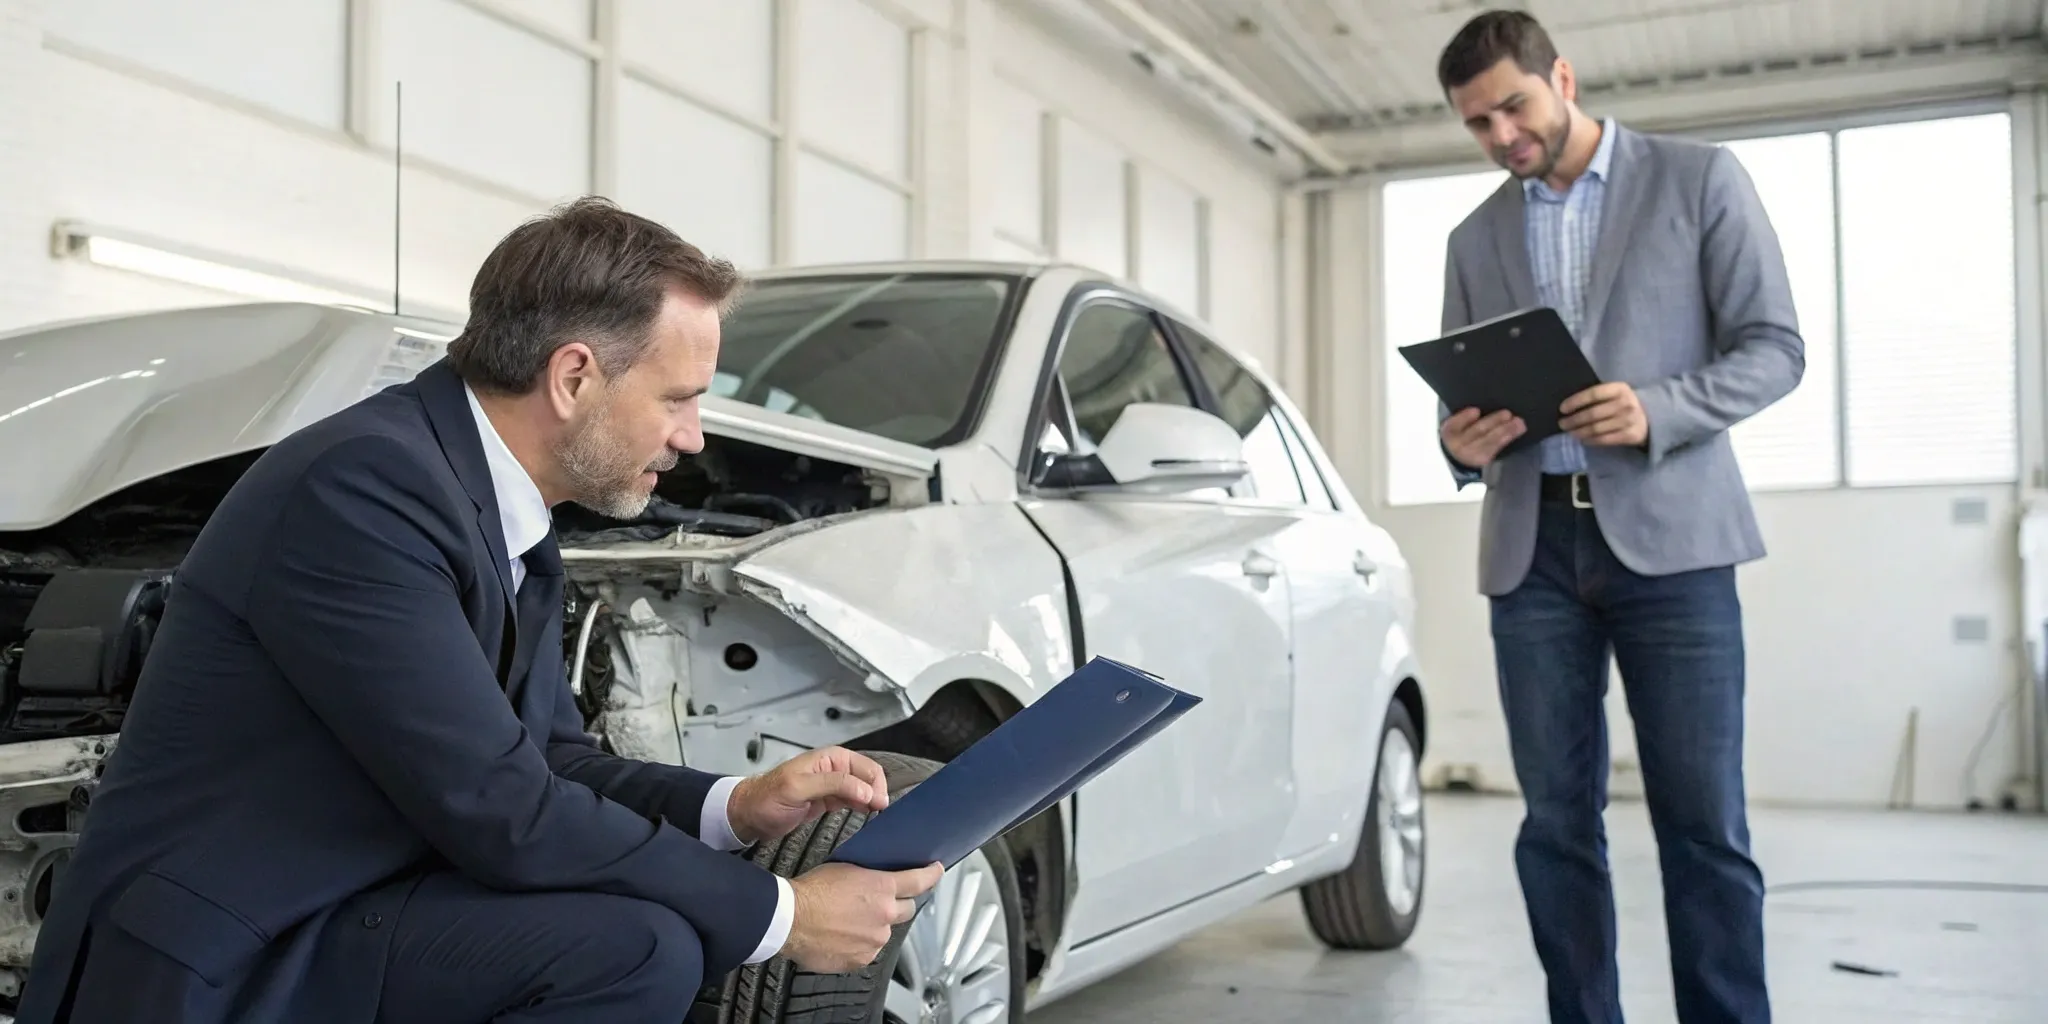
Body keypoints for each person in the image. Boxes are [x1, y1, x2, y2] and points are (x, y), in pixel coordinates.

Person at [16, 196, 944, 1024]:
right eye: (679, 398)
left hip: (347, 905)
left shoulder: (507, 521)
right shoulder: (365, 488)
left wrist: (734, 806)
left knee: (642, 938)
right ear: (574, 376)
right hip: (231, 954)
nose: (692, 439)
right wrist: (785, 917)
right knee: (635, 949)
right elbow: (501, 808)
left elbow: (549, 761)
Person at [1431, 11, 1803, 1024]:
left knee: (1701, 825)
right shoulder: (1473, 236)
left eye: (1513, 106)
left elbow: (1773, 347)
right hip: (1531, 550)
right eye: (1477, 124)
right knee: (1554, 824)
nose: (1501, 136)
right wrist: (1454, 447)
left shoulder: (1697, 180)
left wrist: (1658, 409)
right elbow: (1460, 402)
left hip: (1673, 549)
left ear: (1561, 75)